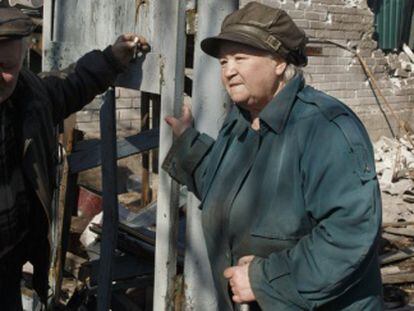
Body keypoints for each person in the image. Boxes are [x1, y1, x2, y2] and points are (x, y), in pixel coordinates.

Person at [163, 2, 382, 310]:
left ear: (279, 62)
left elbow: (350, 234)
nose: (229, 71)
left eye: (240, 58)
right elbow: (224, 184)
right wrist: (188, 143)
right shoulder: (239, 121)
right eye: (224, 62)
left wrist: (265, 279)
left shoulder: (326, 128)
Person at [0, 7, 148, 309]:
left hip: (7, 264)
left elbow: (68, 86)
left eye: (8, 66)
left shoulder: (27, 98)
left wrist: (110, 60)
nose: (1, 77)